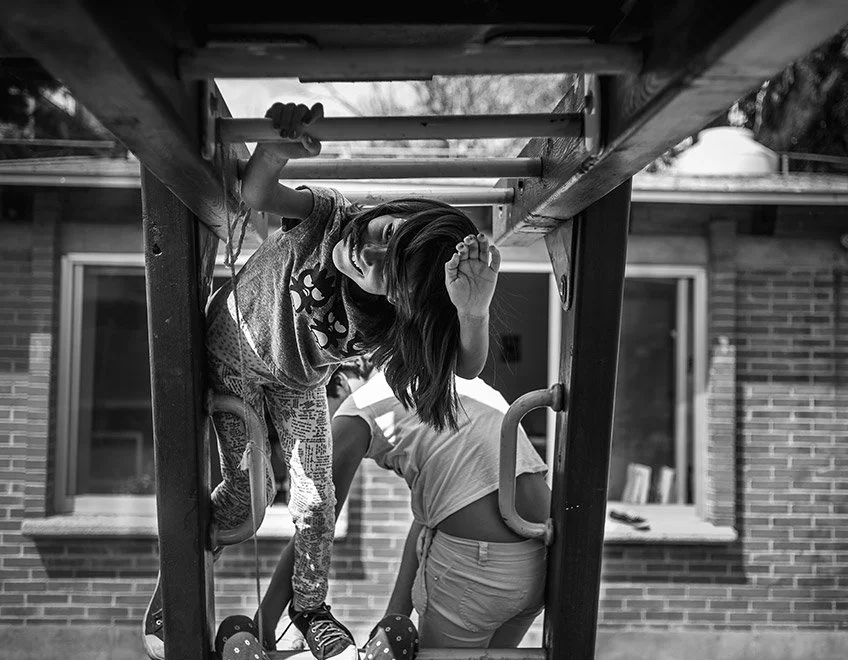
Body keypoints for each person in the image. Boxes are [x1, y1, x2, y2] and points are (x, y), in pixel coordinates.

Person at [142, 101, 501, 660]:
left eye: (387, 266)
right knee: (244, 500)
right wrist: (276, 150)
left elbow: (465, 366)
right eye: (386, 230)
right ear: (391, 208)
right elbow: (258, 195)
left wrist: (472, 310)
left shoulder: (391, 322)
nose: (369, 248)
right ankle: (177, 591)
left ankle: (308, 606)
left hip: (297, 382)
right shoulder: (331, 217)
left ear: (402, 300)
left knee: (315, 501)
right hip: (233, 353)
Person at [256, 369, 551, 651]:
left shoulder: (358, 408)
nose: (326, 430)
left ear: (342, 382)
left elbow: (315, 525)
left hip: (477, 570)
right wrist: (393, 618)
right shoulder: (441, 376)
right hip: (541, 556)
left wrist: (265, 619)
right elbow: (428, 518)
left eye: (323, 416)